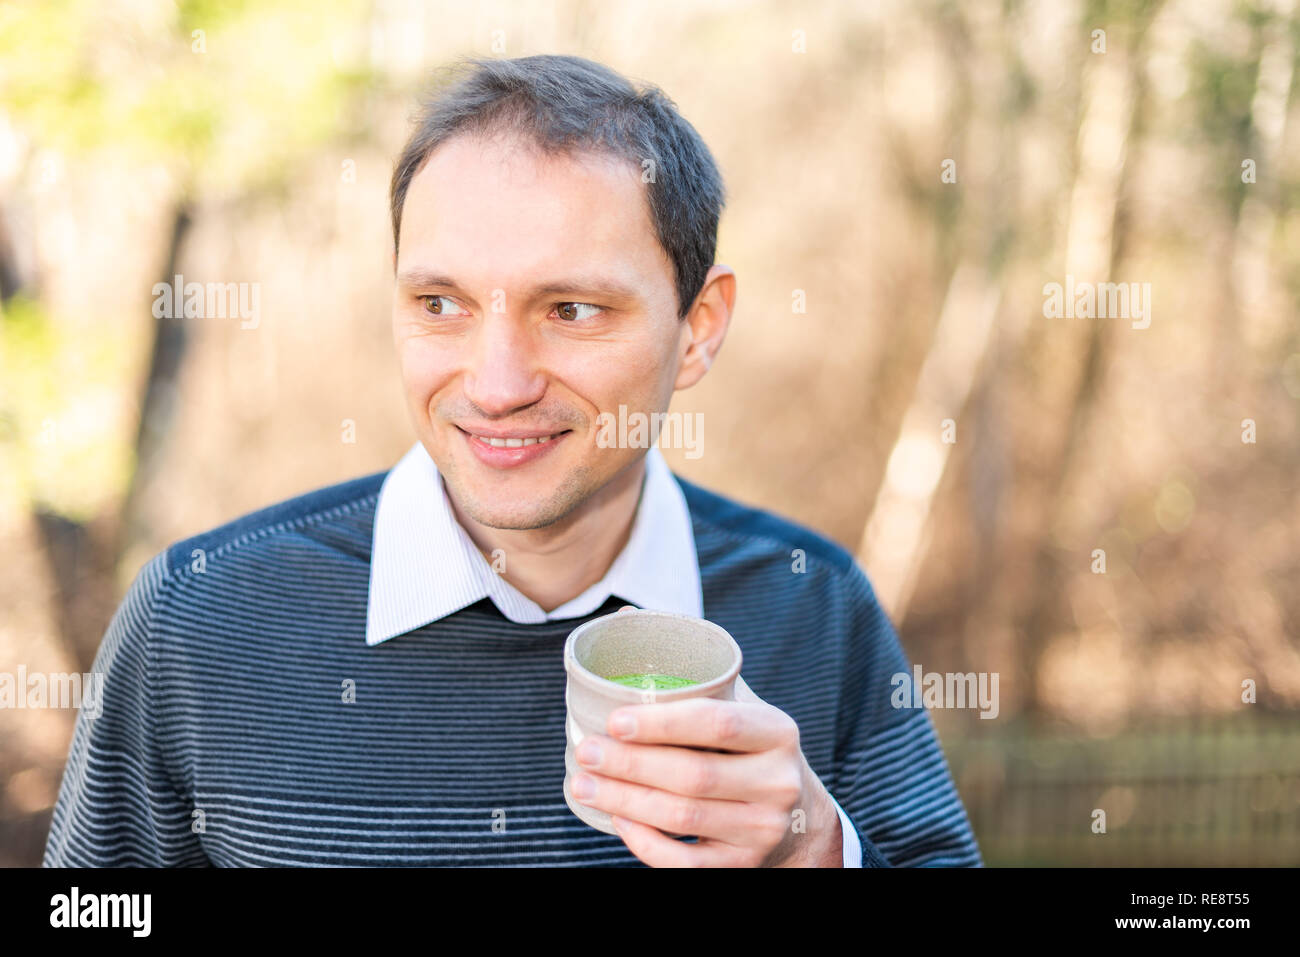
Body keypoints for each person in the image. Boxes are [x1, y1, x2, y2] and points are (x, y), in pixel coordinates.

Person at [44, 54, 981, 867]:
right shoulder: (198, 621)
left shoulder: (813, 607)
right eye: (440, 303)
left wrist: (815, 851)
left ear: (698, 330)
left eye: (571, 309)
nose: (495, 386)